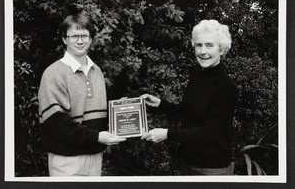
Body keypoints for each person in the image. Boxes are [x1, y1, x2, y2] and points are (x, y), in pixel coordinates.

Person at [141, 19, 238, 175]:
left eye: (209, 45)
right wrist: (160, 104)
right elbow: (188, 112)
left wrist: (167, 134)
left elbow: (208, 132)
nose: (202, 51)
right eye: (199, 45)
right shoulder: (197, 76)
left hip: (212, 169)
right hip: (187, 162)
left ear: (221, 49)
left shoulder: (227, 88)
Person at [38, 13, 126, 176]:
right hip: (67, 160)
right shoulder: (54, 73)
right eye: (74, 36)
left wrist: (119, 110)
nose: (80, 41)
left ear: (91, 38)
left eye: (84, 35)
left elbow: (93, 110)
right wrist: (96, 137)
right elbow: (56, 122)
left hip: (95, 156)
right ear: (65, 39)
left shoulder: (96, 70)